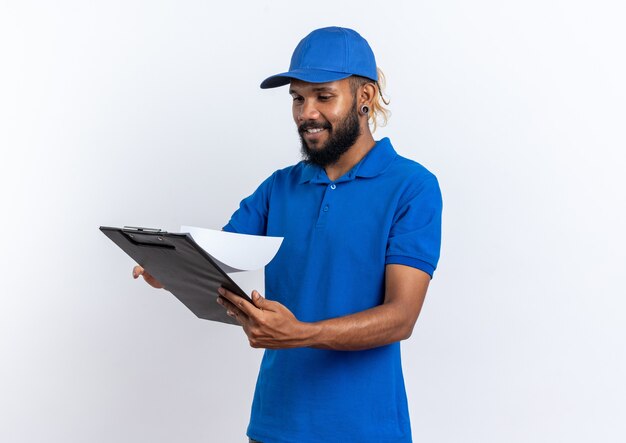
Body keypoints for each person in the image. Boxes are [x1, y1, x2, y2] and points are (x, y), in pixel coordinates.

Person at [134, 26, 442, 443]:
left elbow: (401, 316)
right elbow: (217, 259)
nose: (306, 113)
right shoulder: (278, 187)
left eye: (323, 96)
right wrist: (170, 267)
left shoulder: (412, 187)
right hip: (273, 428)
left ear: (364, 97)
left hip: (366, 431)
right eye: (298, 98)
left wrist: (303, 334)